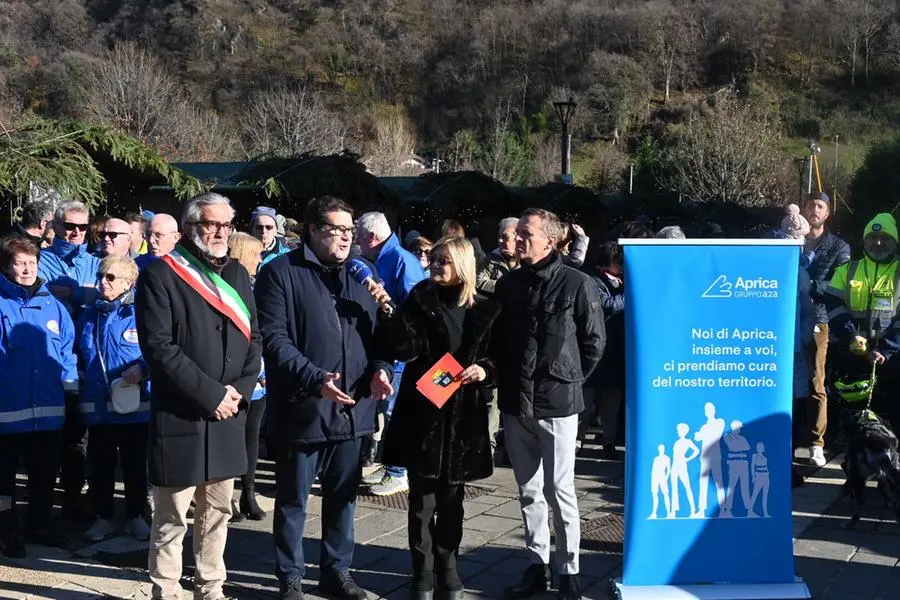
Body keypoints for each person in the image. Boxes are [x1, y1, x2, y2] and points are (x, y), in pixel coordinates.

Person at [255, 196, 392, 600]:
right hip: (305, 409)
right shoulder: (280, 273)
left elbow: (380, 335)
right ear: (312, 231)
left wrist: (382, 368)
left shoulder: (360, 275)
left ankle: (337, 573)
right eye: (337, 230)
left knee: (343, 500)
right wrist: (315, 379)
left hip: (353, 410)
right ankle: (290, 578)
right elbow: (275, 340)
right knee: (293, 501)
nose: (347, 238)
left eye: (350, 230)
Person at [136, 192, 262, 600]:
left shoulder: (239, 275)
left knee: (217, 514)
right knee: (172, 516)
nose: (221, 232)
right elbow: (160, 349)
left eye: (227, 224)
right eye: (212, 224)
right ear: (191, 228)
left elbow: (254, 340)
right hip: (183, 414)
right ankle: (166, 590)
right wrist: (212, 395)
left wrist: (239, 392)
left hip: (228, 416)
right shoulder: (161, 275)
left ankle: (211, 587)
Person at [475, 208, 605, 600]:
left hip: (557, 403)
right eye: (516, 233)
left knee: (559, 489)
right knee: (528, 489)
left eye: (525, 234)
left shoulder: (577, 284)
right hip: (517, 402)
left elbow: (594, 343)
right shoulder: (511, 284)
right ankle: (536, 564)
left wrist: (567, 379)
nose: (516, 239)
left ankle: (569, 571)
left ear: (550, 240)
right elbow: (498, 340)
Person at [374, 237, 499, 600]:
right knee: (422, 503)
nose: (434, 264)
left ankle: (450, 571)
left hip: (464, 420)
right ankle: (422, 575)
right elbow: (406, 349)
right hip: (423, 416)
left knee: (452, 503)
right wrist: (392, 313)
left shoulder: (487, 309)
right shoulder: (419, 300)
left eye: (443, 259)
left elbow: (497, 358)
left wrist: (484, 371)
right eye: (432, 259)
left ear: (462, 263)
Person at [0, 235, 78, 557]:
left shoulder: (54, 306)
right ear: (6, 266)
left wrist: (71, 395)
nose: (28, 269)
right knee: (3, 480)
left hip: (48, 411)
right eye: (20, 263)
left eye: (32, 262)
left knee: (44, 474)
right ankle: (7, 532)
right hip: (7, 411)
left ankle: (39, 524)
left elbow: (67, 353)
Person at [76, 256, 151, 542]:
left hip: (135, 406)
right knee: (100, 465)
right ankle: (103, 516)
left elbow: (160, 350)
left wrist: (144, 369)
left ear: (129, 282)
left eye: (111, 277)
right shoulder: (89, 314)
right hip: (98, 407)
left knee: (134, 465)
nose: (102, 283)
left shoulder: (142, 313)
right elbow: (79, 354)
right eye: (100, 276)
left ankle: (135, 516)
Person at [356, 211, 428, 496]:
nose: (356, 240)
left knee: (396, 411)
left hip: (401, 351)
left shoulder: (400, 259)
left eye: (359, 234)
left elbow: (415, 307)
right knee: (388, 410)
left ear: (372, 236)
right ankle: (391, 465)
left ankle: (399, 471)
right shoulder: (385, 257)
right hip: (388, 347)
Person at [39, 200, 101, 519]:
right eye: (69, 226)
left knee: (83, 433)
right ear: (56, 226)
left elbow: (104, 297)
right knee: (57, 433)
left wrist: (74, 293)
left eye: (81, 226)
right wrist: (82, 294)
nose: (75, 232)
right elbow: (43, 295)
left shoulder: (94, 262)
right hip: (56, 357)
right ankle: (50, 504)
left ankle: (76, 498)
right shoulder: (41, 261)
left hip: (90, 357)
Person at [825, 213, 900, 425]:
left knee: (891, 414)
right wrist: (851, 336)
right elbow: (833, 306)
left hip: (891, 357)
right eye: (872, 238)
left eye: (885, 238)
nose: (878, 242)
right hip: (853, 355)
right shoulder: (847, 270)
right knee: (853, 416)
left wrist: (885, 349)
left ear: (894, 242)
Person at [803, 192, 850, 465]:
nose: (814, 210)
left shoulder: (838, 247)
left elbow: (836, 286)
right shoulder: (790, 242)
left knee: (816, 382)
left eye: (819, 206)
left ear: (827, 213)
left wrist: (805, 287)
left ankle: (816, 443)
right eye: (810, 205)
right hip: (787, 318)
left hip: (819, 319)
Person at [228, 232, 268, 521]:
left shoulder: (260, 288)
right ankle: (226, 495)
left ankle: (248, 492)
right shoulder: (228, 288)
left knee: (251, 436)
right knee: (231, 436)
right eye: (256, 254)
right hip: (233, 377)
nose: (260, 260)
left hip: (259, 376)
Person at [475, 217, 520, 458]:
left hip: (518, 335)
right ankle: (489, 444)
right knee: (491, 395)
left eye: (507, 237)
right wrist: (507, 286)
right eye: (500, 236)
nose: (502, 241)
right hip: (494, 333)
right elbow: (479, 282)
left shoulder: (526, 262)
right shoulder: (490, 260)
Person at [582, 242, 625, 460]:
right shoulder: (592, 280)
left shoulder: (622, 283)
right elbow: (607, 304)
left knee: (612, 402)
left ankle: (608, 441)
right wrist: (631, 296)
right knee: (586, 402)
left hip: (616, 351)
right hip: (597, 350)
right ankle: (578, 439)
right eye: (619, 262)